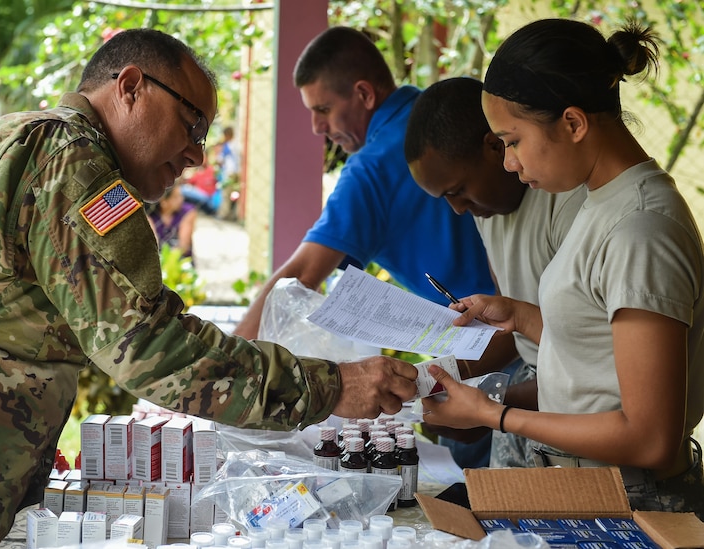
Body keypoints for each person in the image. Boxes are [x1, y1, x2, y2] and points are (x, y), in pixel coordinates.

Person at [0, 29, 418, 548]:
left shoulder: (33, 141)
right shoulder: (68, 161)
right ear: (131, 86)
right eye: (192, 124)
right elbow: (147, 345)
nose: (197, 155)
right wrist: (327, 386)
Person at [420, 19, 704, 518]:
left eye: (512, 141)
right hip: (590, 484)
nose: (508, 163)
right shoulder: (601, 202)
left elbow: (650, 437)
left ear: (573, 124)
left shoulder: (641, 228)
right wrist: (520, 316)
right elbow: (601, 349)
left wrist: (495, 415)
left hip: (631, 499)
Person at [233, 26, 496, 470]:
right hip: (523, 337)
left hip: (485, 364)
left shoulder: (372, 168)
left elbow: (300, 277)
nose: (318, 127)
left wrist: (229, 365)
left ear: (363, 94)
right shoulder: (426, 115)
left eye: (324, 110)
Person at [404, 76, 585, 467]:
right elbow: (517, 330)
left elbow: (595, 364)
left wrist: (488, 407)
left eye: (458, 190)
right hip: (532, 403)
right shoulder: (489, 209)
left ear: (494, 146)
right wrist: (443, 377)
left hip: (578, 420)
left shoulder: (570, 205)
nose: (457, 209)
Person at [147, 184, 198, 260]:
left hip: (180, 260)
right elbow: (153, 245)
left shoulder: (187, 211)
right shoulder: (151, 215)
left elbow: (183, 246)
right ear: (163, 201)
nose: (181, 199)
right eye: (176, 197)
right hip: (158, 259)